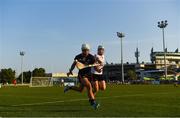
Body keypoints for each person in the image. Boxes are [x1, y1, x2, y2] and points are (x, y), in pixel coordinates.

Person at [65, 44, 100, 109]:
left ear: (89, 50)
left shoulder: (91, 57)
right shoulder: (78, 57)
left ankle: (69, 87)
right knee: (89, 86)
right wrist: (70, 71)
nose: (85, 52)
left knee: (80, 90)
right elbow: (74, 64)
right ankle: (93, 103)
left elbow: (95, 66)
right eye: (83, 50)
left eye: (86, 50)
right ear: (82, 50)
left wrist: (98, 69)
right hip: (81, 75)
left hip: (89, 75)